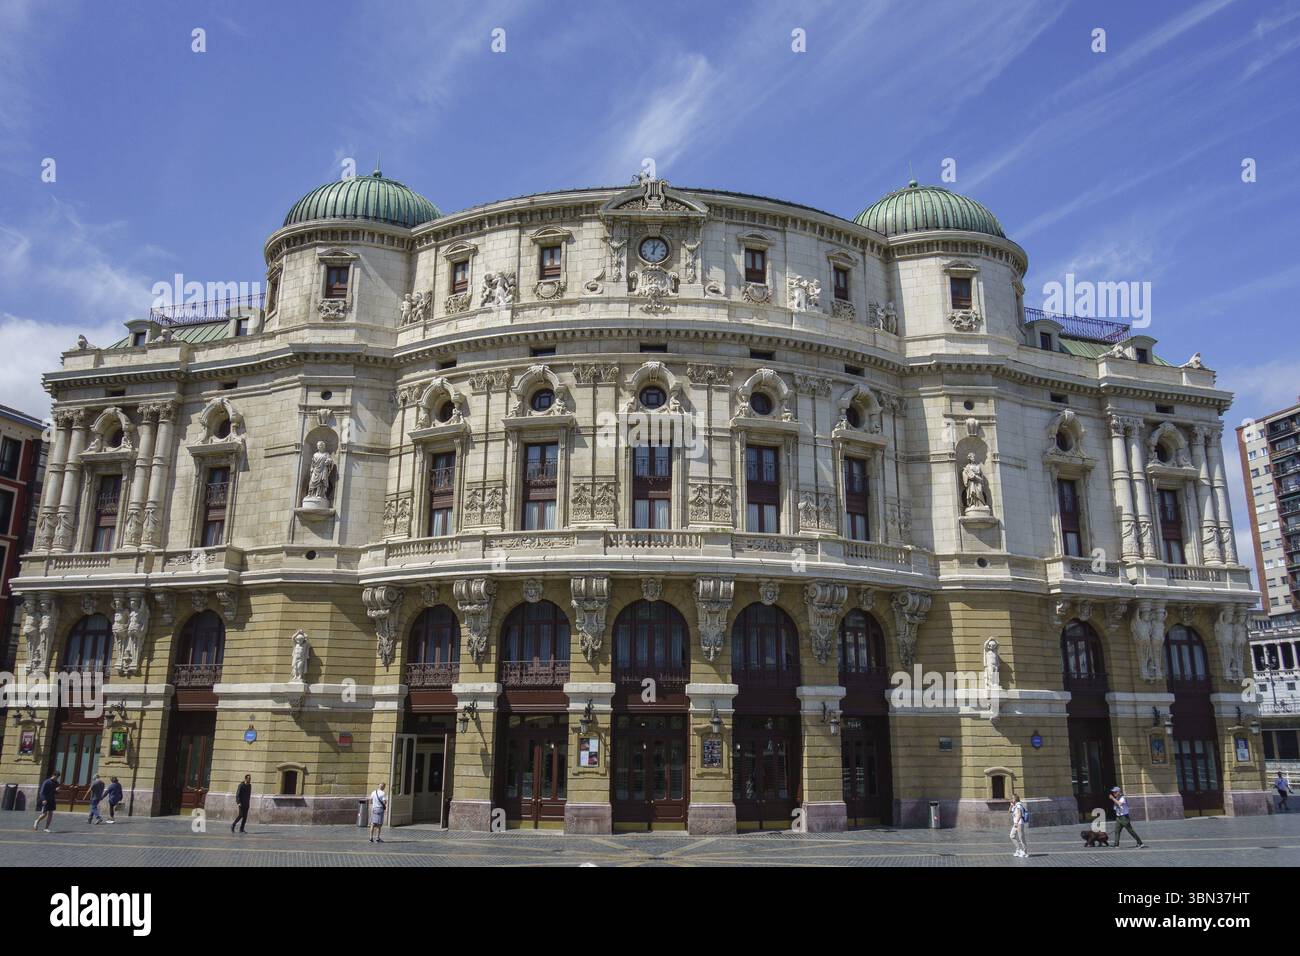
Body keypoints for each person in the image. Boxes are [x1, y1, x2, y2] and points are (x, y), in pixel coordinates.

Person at [1008, 792, 1028, 858]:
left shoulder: (1019, 805)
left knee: (1021, 838)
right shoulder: (1014, 805)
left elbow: (1019, 814)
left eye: (1012, 798)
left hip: (1019, 823)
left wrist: (1016, 822)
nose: (1011, 799)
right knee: (1012, 836)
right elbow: (1009, 812)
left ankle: (1025, 852)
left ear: (1015, 799)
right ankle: (1018, 849)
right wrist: (1011, 805)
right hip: (1016, 824)